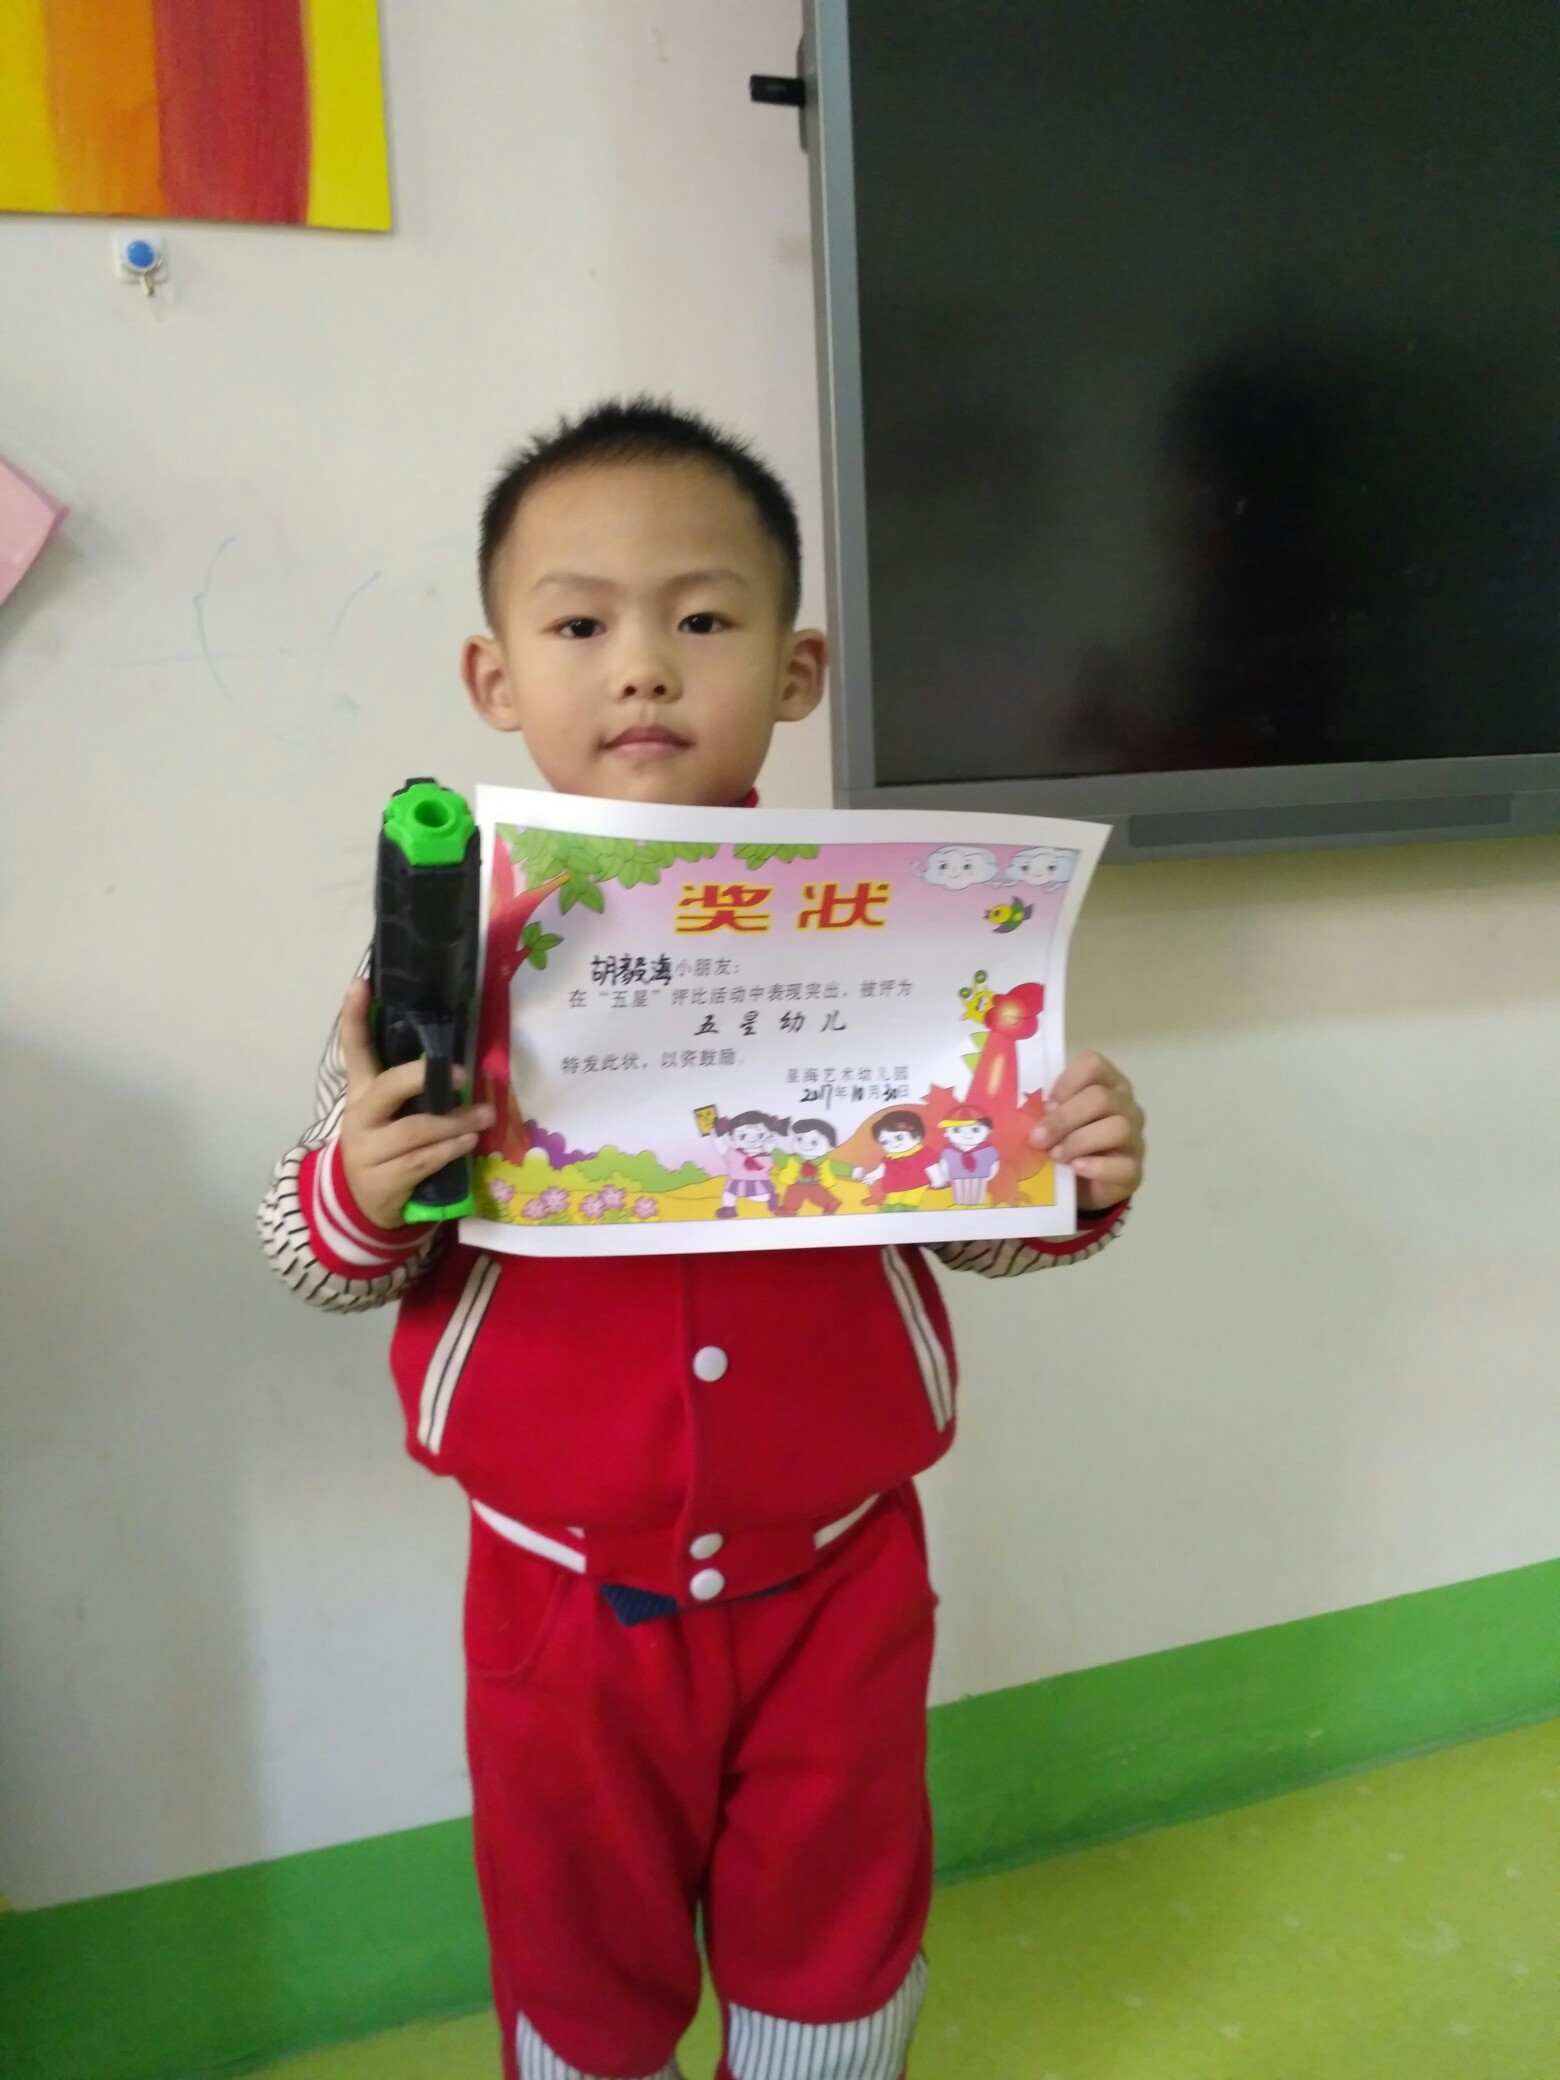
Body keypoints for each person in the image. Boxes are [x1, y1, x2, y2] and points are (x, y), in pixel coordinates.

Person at [258, 400, 1146, 2080]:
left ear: (797, 673)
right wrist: (358, 1190)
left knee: (836, 1929)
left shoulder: (899, 939)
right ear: (495, 678)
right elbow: (311, 1255)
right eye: (579, 626)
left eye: (705, 619)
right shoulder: (432, 963)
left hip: (841, 1579)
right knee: (579, 1952)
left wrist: (1072, 1181)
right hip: (557, 1596)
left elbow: (972, 1224)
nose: (644, 669)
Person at [777, 1118, 842, 1216]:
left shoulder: (824, 1162)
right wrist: (773, 1150)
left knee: (820, 1196)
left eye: (814, 1142)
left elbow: (839, 1167)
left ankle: (830, 1204)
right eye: (799, 1139)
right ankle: (789, 1208)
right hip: (797, 1184)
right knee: (792, 1195)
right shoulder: (794, 1160)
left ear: (830, 1146)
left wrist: (854, 1171)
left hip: (815, 1184)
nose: (805, 1145)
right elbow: (781, 1160)